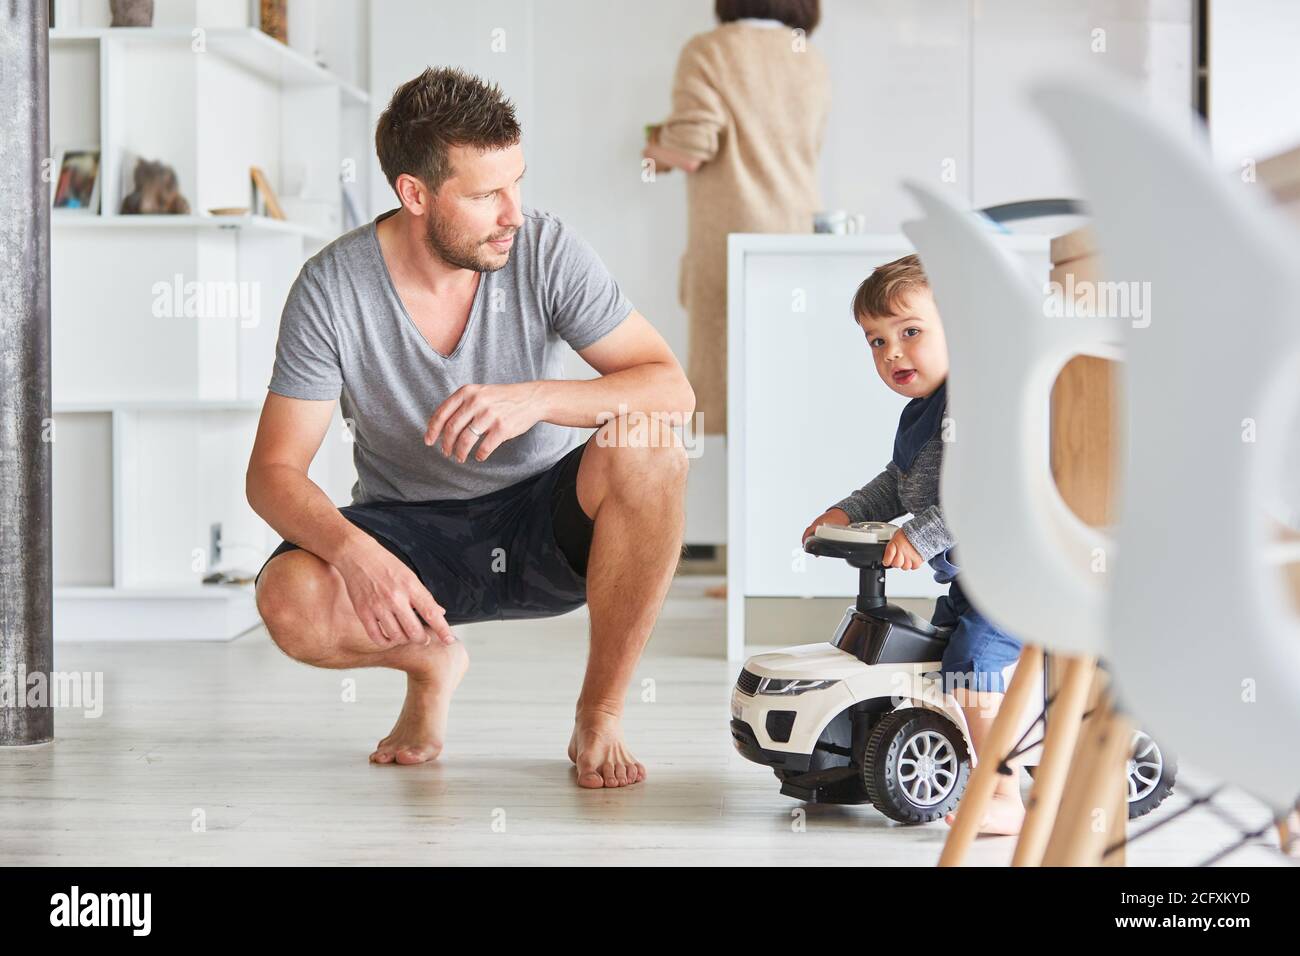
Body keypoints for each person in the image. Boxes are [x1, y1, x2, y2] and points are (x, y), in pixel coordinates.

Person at [247, 67, 695, 790]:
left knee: (652, 444)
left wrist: (537, 399)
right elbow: (272, 472)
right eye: (487, 194)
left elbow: (671, 390)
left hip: (548, 522)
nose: (512, 212)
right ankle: (431, 662)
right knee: (287, 600)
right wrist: (357, 556)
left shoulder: (546, 250)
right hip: (412, 534)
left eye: (516, 182)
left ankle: (599, 714)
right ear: (414, 195)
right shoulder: (331, 289)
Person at [800, 254, 1028, 834]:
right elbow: (898, 482)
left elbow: (981, 491)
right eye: (876, 341)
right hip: (972, 580)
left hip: (1020, 575)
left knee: (970, 666)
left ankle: (1003, 792)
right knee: (935, 662)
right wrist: (850, 510)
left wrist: (920, 537)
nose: (892, 352)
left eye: (911, 332)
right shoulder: (924, 413)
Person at [644, 0, 830, 599]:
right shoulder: (811, 58)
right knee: (782, 410)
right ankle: (776, 563)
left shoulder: (711, 51)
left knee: (738, 408)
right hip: (798, 251)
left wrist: (654, 148)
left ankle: (743, 567)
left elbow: (693, 146)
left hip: (735, 252)